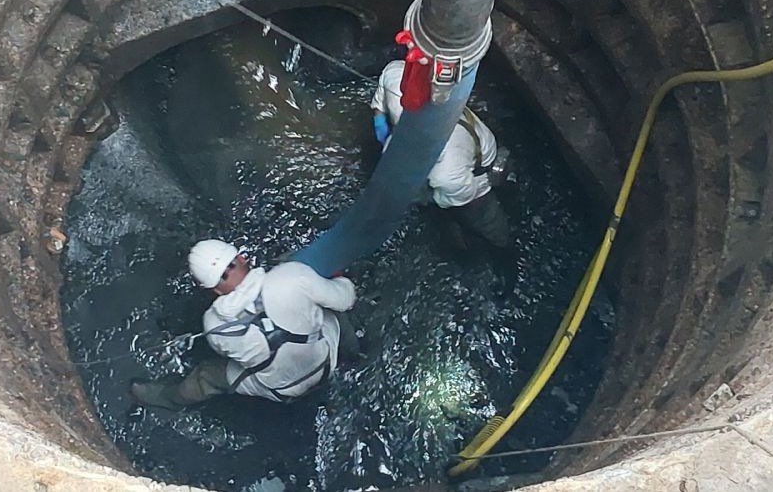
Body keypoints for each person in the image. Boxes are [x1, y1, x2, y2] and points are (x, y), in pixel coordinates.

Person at [130, 239, 358, 408]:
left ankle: (167, 399)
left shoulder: (213, 326)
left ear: (214, 290)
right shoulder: (292, 276)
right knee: (330, 306)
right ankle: (356, 353)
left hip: (283, 390)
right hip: (326, 362)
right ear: (241, 257)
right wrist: (335, 279)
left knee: (208, 376)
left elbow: (232, 354)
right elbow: (347, 299)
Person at [371, 60, 514, 263]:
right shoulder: (399, 89)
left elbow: (465, 195)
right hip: (448, 164)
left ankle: (505, 253)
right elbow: (390, 73)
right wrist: (379, 115)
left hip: (475, 173)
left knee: (485, 219)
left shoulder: (447, 172)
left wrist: (429, 199)